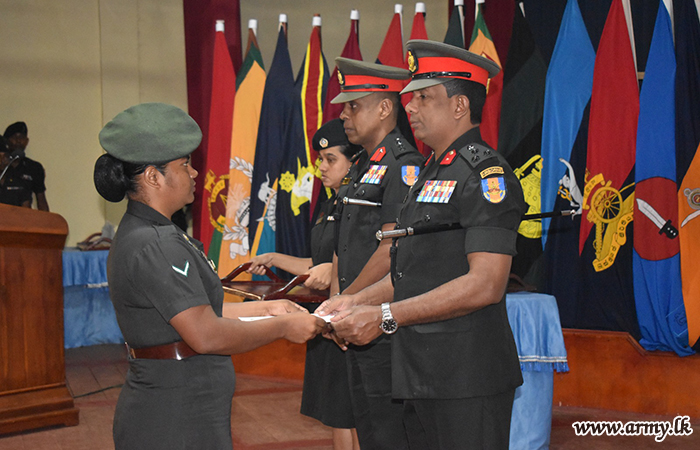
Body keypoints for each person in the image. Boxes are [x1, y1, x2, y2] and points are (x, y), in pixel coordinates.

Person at [318, 40, 526, 449]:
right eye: (411, 98)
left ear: (460, 105)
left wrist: (384, 316)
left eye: (424, 98)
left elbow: (486, 284)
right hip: (418, 372)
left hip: (466, 377)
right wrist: (354, 302)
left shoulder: (485, 175)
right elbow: (410, 274)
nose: (409, 107)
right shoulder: (430, 172)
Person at [93, 102, 327, 450]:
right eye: (184, 164)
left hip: (182, 409)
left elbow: (195, 312)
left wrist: (269, 309)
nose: (194, 172)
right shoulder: (155, 243)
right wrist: (282, 328)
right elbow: (206, 334)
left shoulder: (154, 232)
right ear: (154, 177)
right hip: (175, 418)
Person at [326, 58, 425, 450]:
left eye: (354, 106)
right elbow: (343, 245)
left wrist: (348, 301)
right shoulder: (362, 165)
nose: (344, 114)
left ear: (385, 108)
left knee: (389, 433)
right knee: (368, 429)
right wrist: (339, 305)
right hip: (354, 317)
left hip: (383, 324)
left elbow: (392, 250)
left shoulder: (404, 166)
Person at [247, 119, 361, 450]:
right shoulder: (330, 203)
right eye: (320, 159)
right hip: (325, 315)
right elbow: (316, 265)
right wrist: (274, 258)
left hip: (350, 316)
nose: (321, 167)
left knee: (353, 413)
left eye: (330, 159)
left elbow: (374, 259)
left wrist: (333, 269)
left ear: (354, 162)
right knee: (336, 412)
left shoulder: (363, 206)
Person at [1, 121, 49, 211]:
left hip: (23, 216)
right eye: (14, 137)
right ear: (6, 141)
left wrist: (47, 219)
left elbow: (41, 200)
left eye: (22, 137)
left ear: (27, 141)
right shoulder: (2, 166)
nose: (18, 141)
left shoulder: (34, 167)